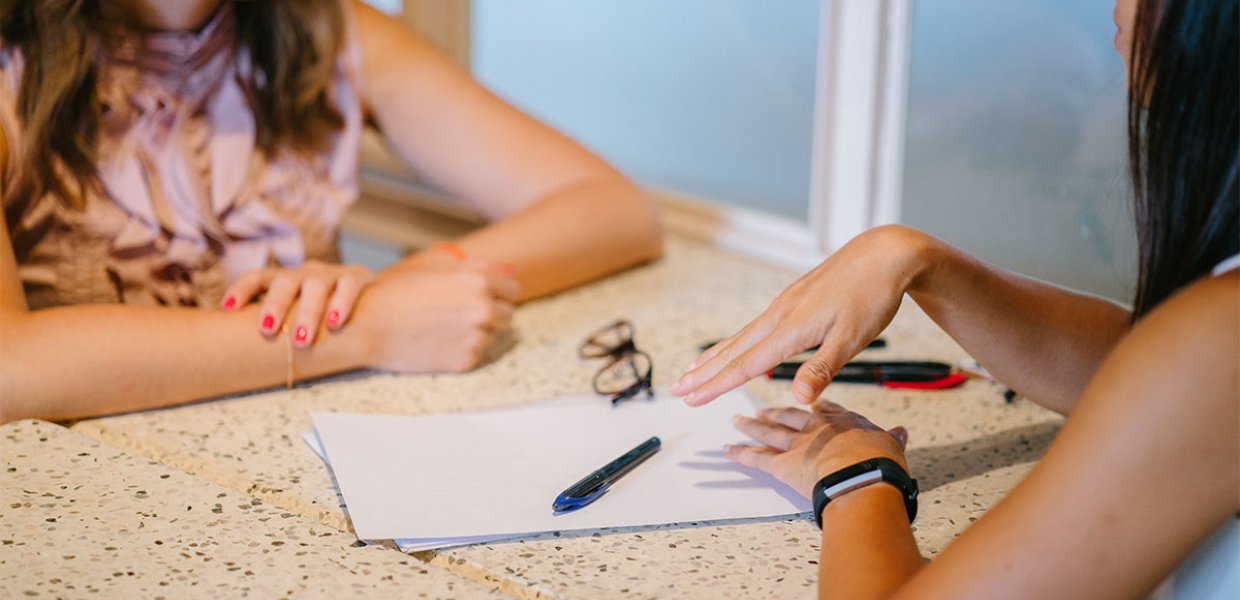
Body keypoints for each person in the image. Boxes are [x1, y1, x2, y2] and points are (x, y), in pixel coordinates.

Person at [671, 0, 1238, 597]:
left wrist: (856, 475)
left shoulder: (1220, 339)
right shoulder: (1207, 344)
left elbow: (1188, 379)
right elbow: (1152, 374)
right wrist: (916, 259)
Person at [0, 0, 662, 423]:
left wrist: (409, 283)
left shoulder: (334, 30)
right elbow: (11, 369)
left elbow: (612, 209)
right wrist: (359, 330)